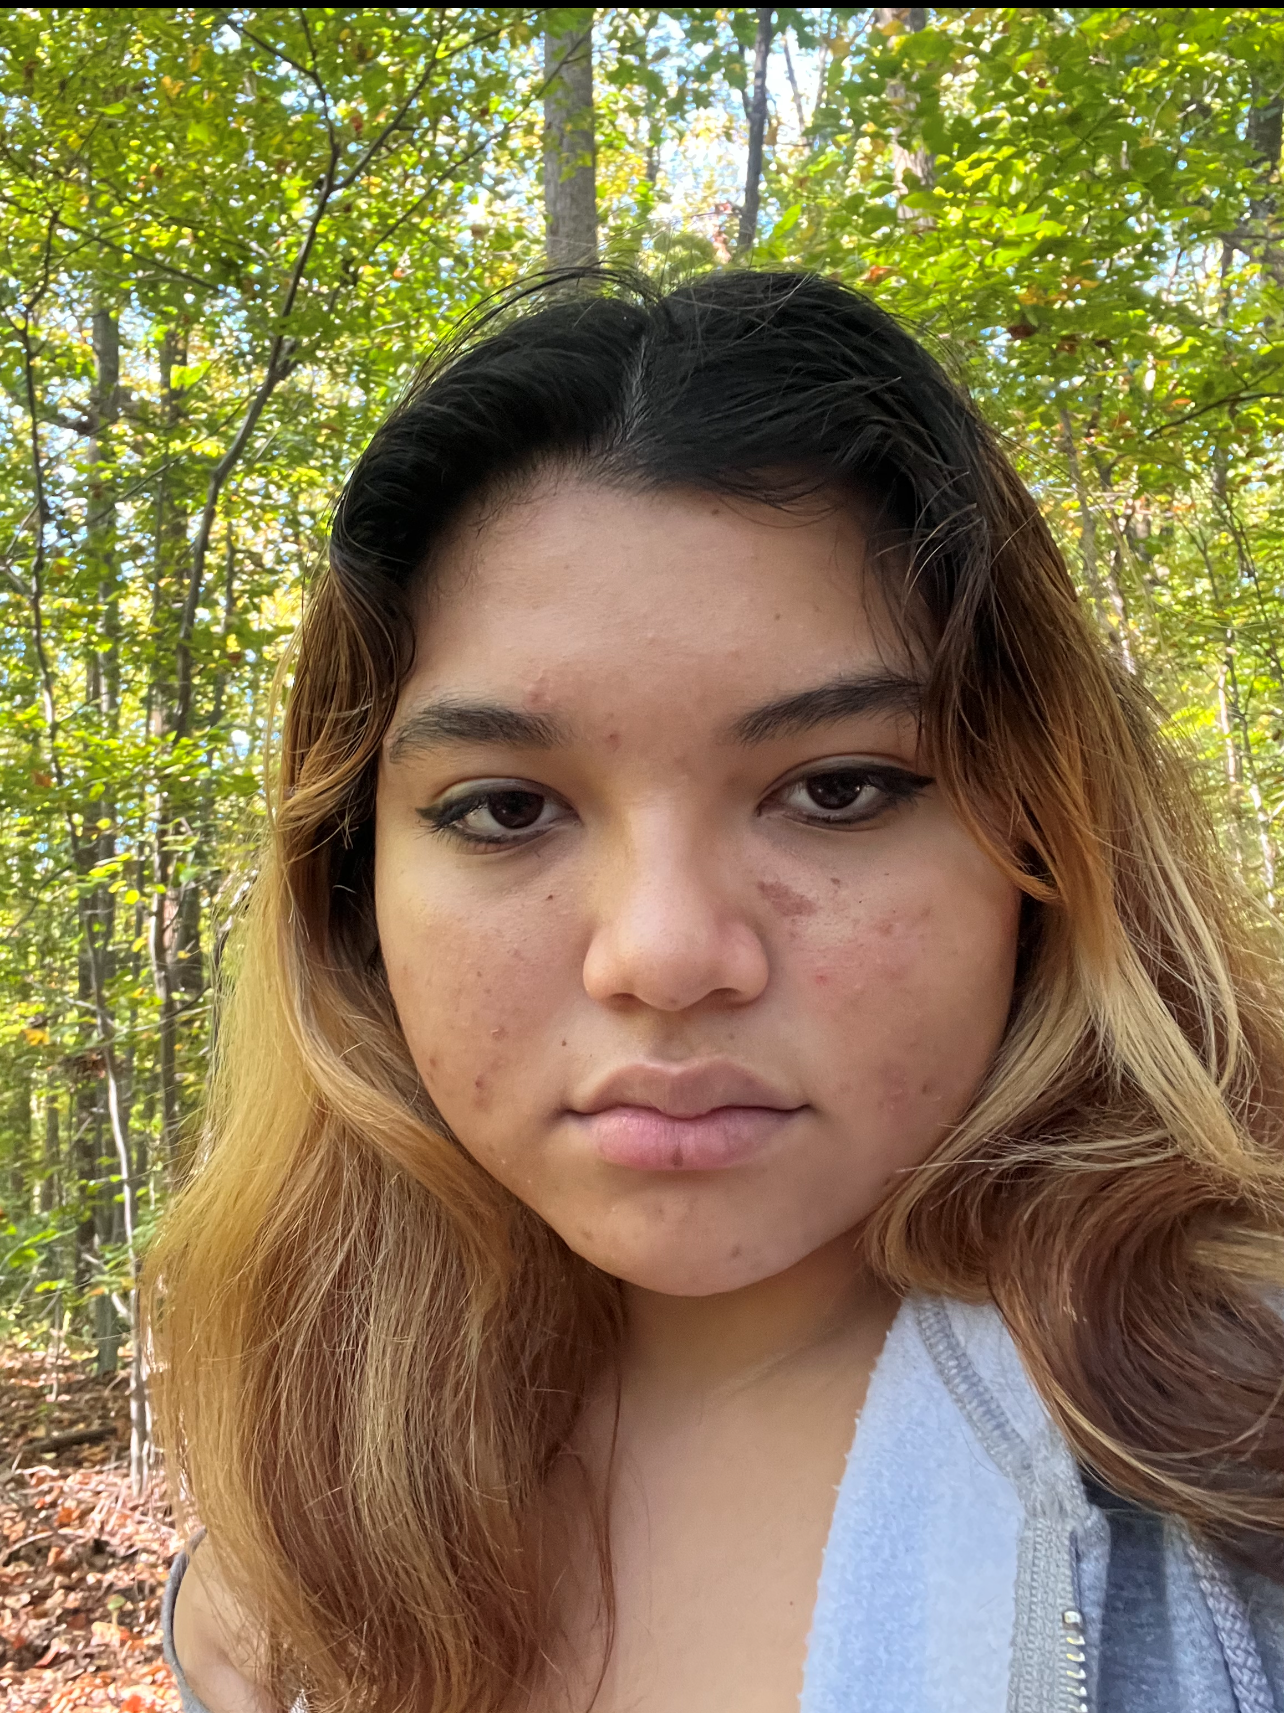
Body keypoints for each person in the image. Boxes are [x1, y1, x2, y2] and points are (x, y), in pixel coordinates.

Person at [149, 268, 1284, 1713]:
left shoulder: (1239, 1459)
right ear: (352, 891)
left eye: (839, 788)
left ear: (1045, 845)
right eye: (506, 809)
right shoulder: (289, 1545)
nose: (666, 957)